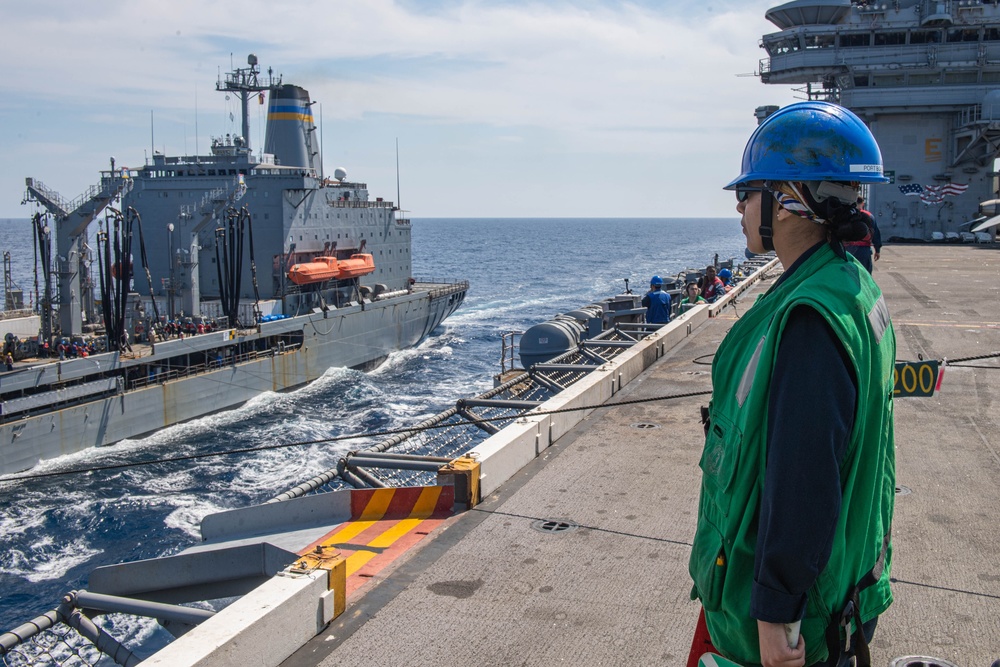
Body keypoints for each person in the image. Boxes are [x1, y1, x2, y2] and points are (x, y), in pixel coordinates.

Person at [687, 101, 896, 667]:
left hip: (793, 624)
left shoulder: (808, 318)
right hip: (846, 588)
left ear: (787, 200)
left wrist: (778, 616)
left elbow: (804, 476)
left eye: (748, 191)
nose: (737, 204)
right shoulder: (849, 284)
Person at [842, 197, 882, 273]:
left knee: (848, 274)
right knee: (864, 275)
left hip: (847, 249)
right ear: (863, 203)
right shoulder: (869, 216)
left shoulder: (846, 215)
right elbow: (875, 233)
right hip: (864, 250)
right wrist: (877, 250)